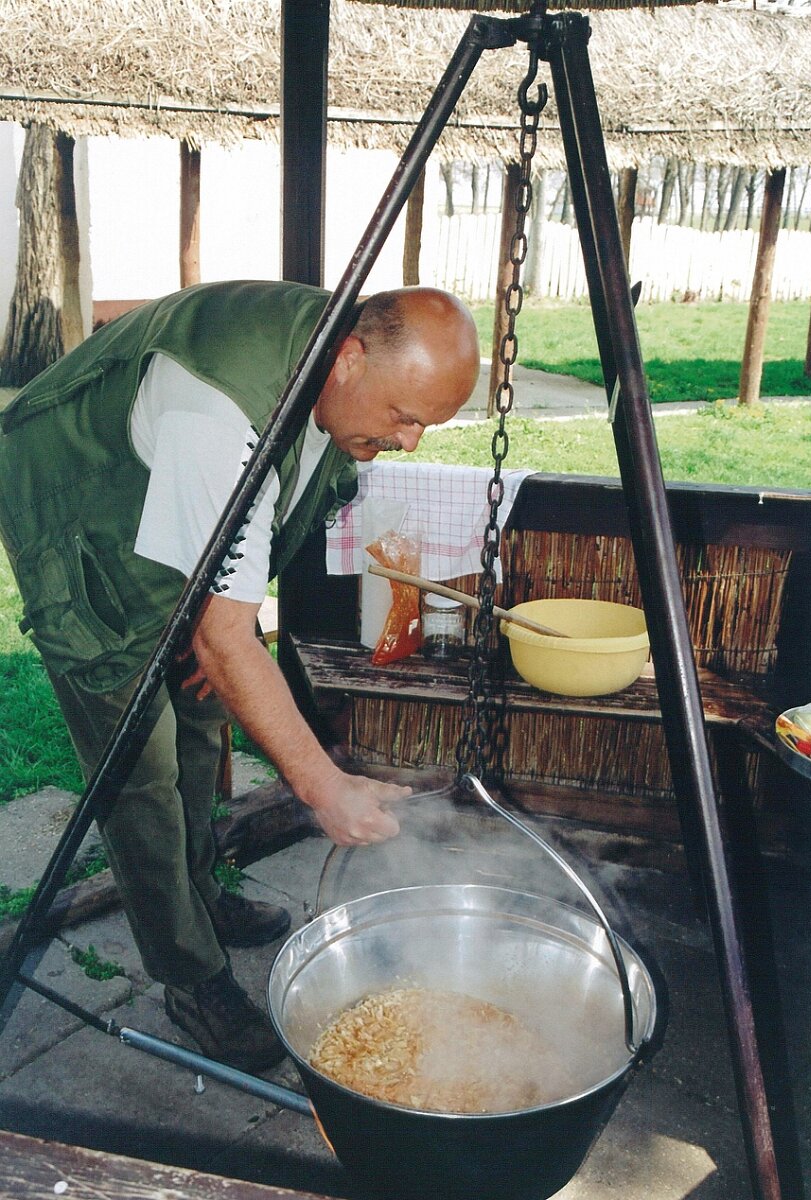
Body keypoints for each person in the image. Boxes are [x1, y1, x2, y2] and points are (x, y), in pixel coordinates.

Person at [0, 280, 480, 1073]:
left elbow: (245, 568)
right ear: (349, 359)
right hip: (77, 510)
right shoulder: (218, 415)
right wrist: (325, 787)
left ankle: (198, 893)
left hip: (170, 494)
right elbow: (227, 634)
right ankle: (188, 974)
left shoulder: (333, 375)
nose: (411, 441)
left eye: (426, 424)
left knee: (204, 704)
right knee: (137, 768)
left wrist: (217, 637)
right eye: (405, 417)